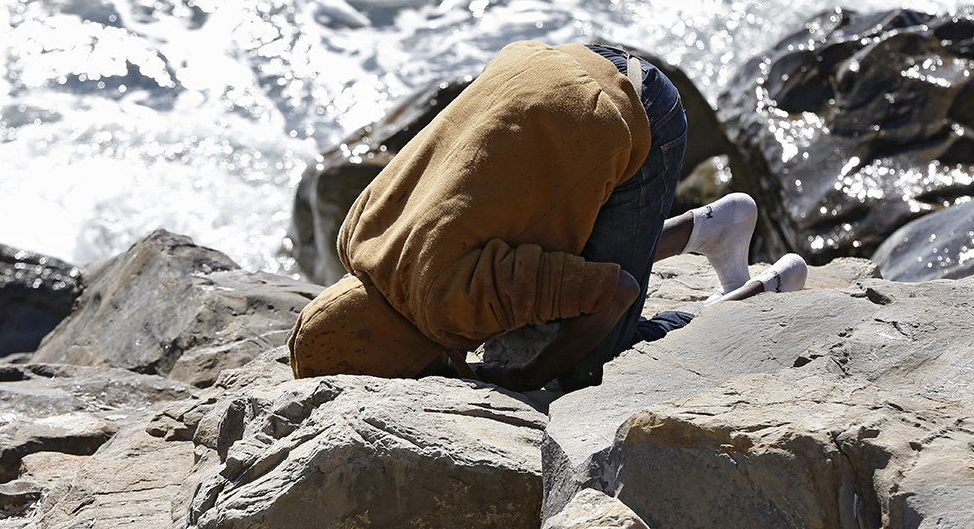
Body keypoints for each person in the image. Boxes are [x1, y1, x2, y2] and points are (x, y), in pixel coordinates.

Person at [288, 40, 806, 392]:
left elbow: (617, 292)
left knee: (591, 365)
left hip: (634, 109)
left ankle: (756, 297)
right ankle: (715, 228)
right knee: (542, 290)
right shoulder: (358, 236)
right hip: (560, 69)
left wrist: (532, 378)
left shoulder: (447, 305)